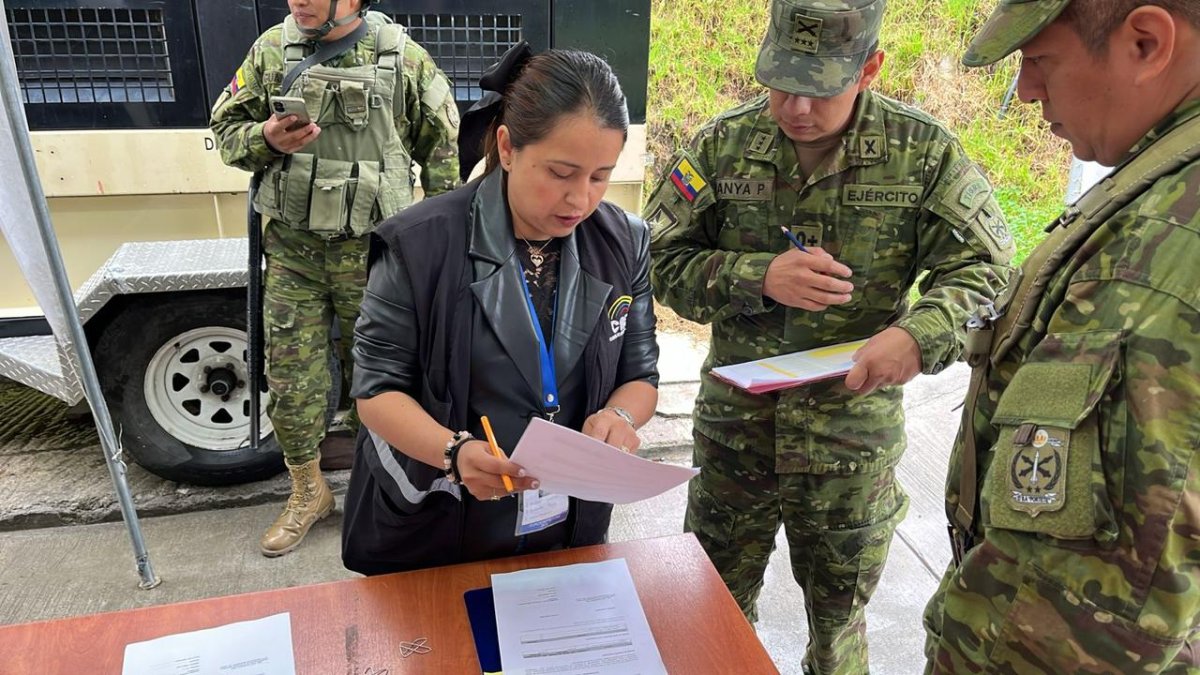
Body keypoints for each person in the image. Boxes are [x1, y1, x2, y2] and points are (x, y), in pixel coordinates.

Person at [646, 0, 1014, 671]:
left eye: (819, 90)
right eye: (780, 83)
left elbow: (987, 269)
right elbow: (656, 262)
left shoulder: (920, 152)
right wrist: (756, 274)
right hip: (737, 441)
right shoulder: (721, 145)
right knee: (711, 614)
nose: (795, 109)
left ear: (870, 68)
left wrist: (918, 335)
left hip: (850, 448)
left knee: (839, 628)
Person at [925, 1, 1200, 672]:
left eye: (1041, 60)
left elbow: (1074, 608)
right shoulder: (1157, 189)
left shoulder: (1158, 254)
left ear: (1145, 42)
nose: (1024, 91)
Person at [340, 44, 660, 576]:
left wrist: (620, 416)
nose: (580, 199)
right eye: (560, 172)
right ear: (508, 147)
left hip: (569, 524)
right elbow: (376, 392)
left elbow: (640, 374)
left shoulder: (624, 242)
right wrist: (453, 452)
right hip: (444, 520)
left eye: (600, 176)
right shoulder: (419, 246)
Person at [209, 0, 460, 557]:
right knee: (291, 380)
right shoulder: (272, 49)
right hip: (294, 255)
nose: (299, 0)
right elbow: (224, 129)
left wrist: (443, 254)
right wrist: (266, 141)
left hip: (375, 258)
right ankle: (308, 492)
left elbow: (442, 155)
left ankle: (384, 489)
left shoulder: (402, 57)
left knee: (383, 384)